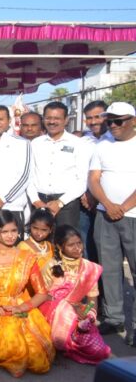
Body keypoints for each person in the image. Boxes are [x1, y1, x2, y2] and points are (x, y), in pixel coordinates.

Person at [0, 210, 54, 377]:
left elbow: (42, 293)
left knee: (37, 356)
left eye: (14, 231)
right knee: (14, 348)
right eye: (4, 231)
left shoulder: (27, 257)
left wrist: (22, 307)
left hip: (20, 308)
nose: (10, 236)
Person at [88, 101, 136, 335]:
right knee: (109, 269)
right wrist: (108, 205)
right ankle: (114, 317)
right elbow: (93, 179)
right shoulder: (103, 145)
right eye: (110, 121)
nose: (113, 125)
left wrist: (123, 207)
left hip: (133, 215)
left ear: (133, 121)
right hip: (105, 215)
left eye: (118, 121)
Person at [39, 224, 110, 364]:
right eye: (71, 245)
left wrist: (88, 314)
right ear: (60, 247)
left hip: (78, 312)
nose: (77, 248)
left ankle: (69, 340)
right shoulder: (51, 266)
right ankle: (62, 341)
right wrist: (69, 306)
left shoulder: (89, 268)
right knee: (66, 311)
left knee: (100, 351)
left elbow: (92, 299)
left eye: (79, 243)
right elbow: (42, 295)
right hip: (52, 311)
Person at [27, 101, 91, 229]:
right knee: (40, 239)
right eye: (48, 118)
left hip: (67, 204)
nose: (52, 122)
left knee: (66, 239)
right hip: (39, 201)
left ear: (66, 120)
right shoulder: (35, 144)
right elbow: (29, 175)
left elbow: (83, 179)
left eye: (57, 118)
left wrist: (60, 202)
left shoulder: (78, 144)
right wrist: (36, 200)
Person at [79, 100, 110, 260]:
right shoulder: (83, 142)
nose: (93, 121)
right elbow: (78, 170)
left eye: (98, 116)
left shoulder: (115, 140)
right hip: (85, 201)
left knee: (108, 248)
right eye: (89, 118)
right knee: (86, 245)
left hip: (109, 203)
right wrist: (84, 192)